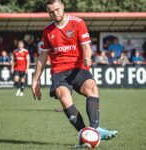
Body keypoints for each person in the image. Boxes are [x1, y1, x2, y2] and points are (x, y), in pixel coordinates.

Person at [31, 0, 118, 148]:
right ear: (48, 12)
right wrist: (35, 81)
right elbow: (43, 57)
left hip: (78, 68)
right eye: (51, 11)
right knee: (65, 98)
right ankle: (85, 135)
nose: (55, 13)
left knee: (92, 87)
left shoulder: (78, 23)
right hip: (59, 72)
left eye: (57, 9)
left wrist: (87, 57)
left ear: (63, 6)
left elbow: (86, 46)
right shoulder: (48, 31)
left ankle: (95, 129)